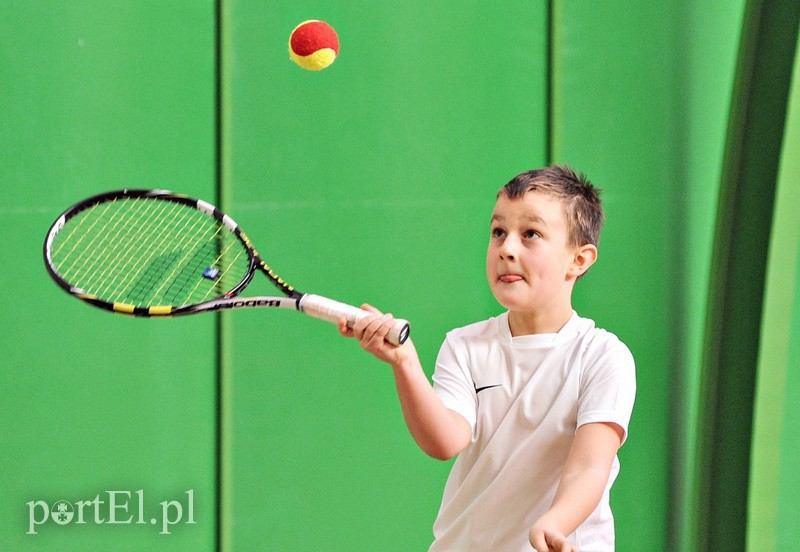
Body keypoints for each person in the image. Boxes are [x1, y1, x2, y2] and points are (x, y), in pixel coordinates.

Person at [338, 166, 636, 552]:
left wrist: (554, 523)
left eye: (531, 234)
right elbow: (446, 440)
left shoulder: (603, 357)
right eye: (498, 232)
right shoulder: (464, 345)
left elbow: (589, 466)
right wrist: (405, 364)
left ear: (579, 260)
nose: (507, 249)